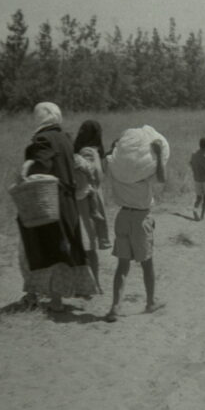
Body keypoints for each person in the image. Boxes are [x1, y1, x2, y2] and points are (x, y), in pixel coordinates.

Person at [18, 103, 100, 312]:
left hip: (48, 202)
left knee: (46, 248)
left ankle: (50, 299)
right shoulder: (64, 138)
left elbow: (41, 165)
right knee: (65, 248)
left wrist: (27, 167)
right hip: (68, 201)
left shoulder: (43, 139)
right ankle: (65, 295)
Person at [106, 131, 166, 320]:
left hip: (122, 216)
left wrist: (115, 148)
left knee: (122, 265)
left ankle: (115, 306)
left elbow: (110, 159)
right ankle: (150, 302)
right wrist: (157, 156)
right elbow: (162, 178)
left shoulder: (116, 172)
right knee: (147, 263)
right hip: (141, 218)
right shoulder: (142, 175)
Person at [72, 120, 110, 289]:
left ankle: (91, 284)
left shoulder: (85, 152)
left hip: (85, 200)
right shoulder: (96, 152)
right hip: (94, 197)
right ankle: (95, 283)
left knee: (86, 242)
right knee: (90, 243)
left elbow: (85, 176)